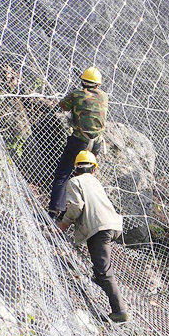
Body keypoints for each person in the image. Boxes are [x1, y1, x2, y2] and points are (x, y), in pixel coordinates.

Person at [57, 150, 129, 323]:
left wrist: (63, 224)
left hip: (99, 228)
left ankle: (120, 311)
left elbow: (76, 206)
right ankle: (99, 280)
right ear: (93, 169)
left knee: (104, 271)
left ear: (76, 169)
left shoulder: (74, 181)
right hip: (110, 224)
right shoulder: (95, 182)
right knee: (100, 268)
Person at [48, 67, 107, 221]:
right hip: (96, 144)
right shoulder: (104, 96)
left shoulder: (76, 94)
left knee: (63, 174)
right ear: (98, 85)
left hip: (78, 141)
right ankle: (79, 217)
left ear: (82, 81)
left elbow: (62, 106)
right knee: (86, 179)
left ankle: (54, 213)